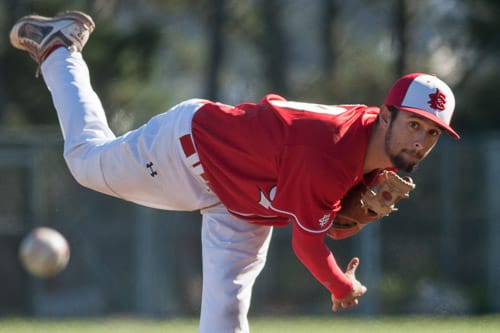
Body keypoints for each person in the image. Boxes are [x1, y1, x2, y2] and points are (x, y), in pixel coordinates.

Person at [10, 10, 460, 333]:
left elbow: (325, 213)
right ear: (386, 115)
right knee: (86, 161)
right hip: (192, 152)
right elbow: (307, 243)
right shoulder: (332, 153)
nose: (419, 140)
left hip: (245, 200)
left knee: (226, 315)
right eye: (413, 124)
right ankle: (59, 48)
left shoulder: (365, 142)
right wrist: (340, 286)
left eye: (432, 133)